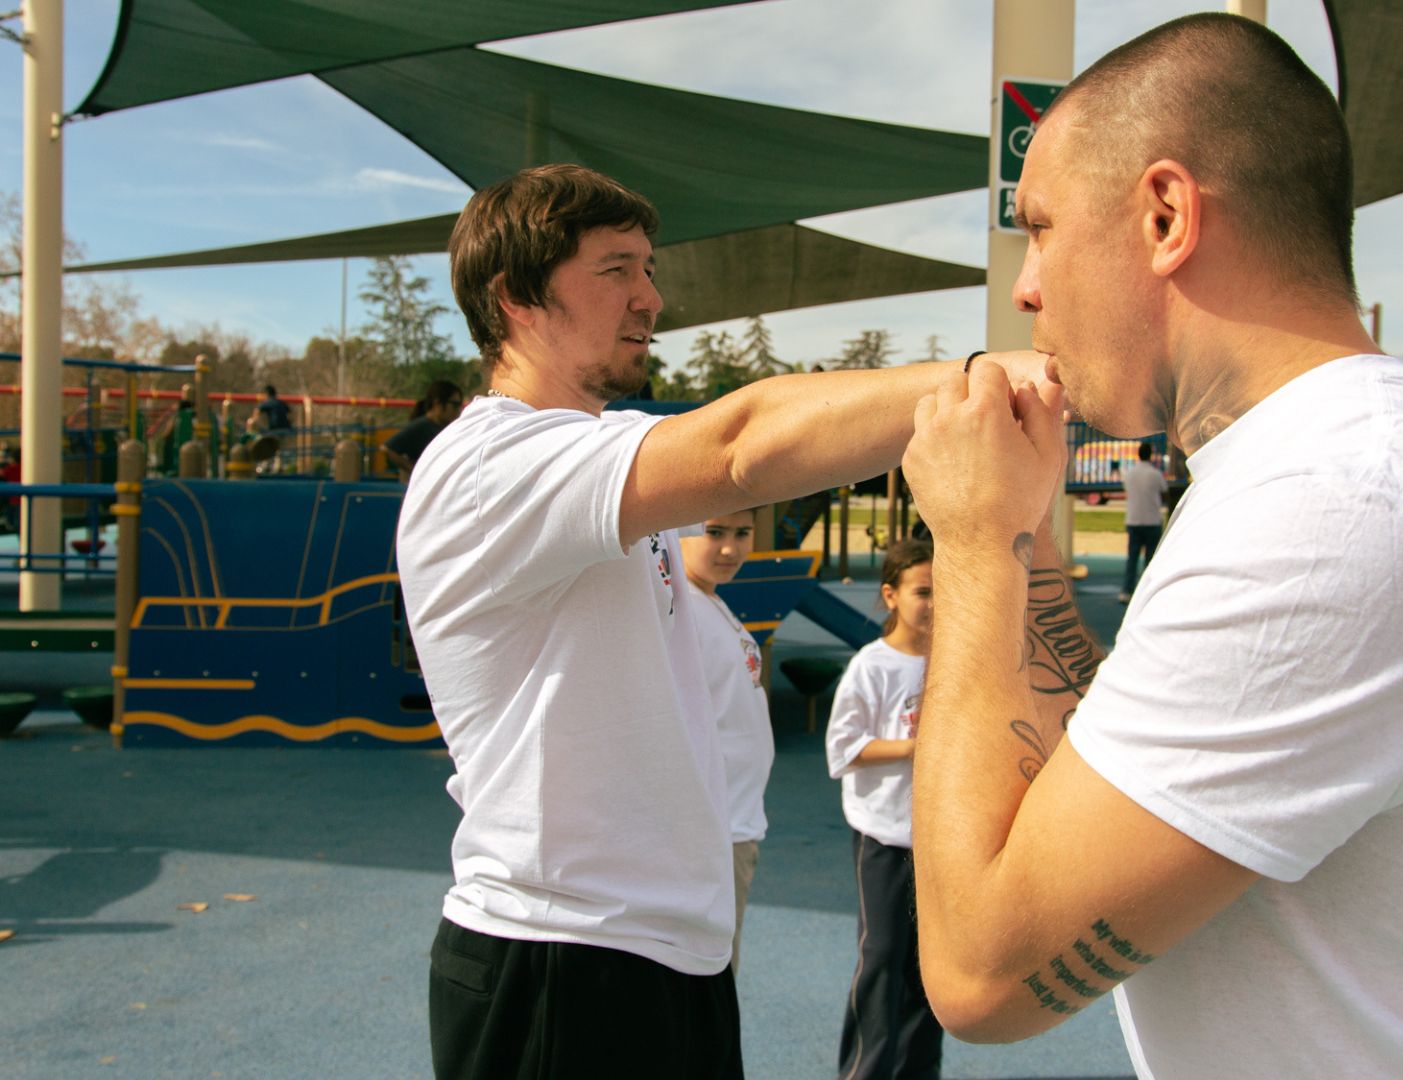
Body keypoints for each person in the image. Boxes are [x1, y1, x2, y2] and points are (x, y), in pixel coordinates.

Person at [896, 14, 1403, 1077]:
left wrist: (968, 543)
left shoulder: (1335, 507)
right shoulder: (1332, 460)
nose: (1027, 287)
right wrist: (1024, 546)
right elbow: (1119, 769)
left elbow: (984, 977)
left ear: (1166, 214)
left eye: (1041, 227)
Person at [394, 163, 1047, 1080]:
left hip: (660, 948)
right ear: (515, 296)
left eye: (648, 270)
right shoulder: (492, 462)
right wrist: (1002, 378)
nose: (650, 298)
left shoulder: (597, 480)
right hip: (560, 953)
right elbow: (743, 442)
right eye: (616, 269)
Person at [823, 539, 942, 1080]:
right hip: (886, 837)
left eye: (944, 591)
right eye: (923, 592)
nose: (935, 603)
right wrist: (917, 747)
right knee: (882, 958)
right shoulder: (872, 667)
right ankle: (864, 1072)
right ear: (891, 595)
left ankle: (917, 1071)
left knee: (931, 970)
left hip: (941, 842)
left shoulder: (955, 660)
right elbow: (843, 749)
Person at [678, 509, 774, 973]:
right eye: (713, 532)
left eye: (742, 533)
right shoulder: (683, 610)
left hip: (734, 819)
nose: (730, 549)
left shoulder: (710, 601)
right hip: (713, 829)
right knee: (709, 975)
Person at [384, 380, 466, 482]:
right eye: (455, 404)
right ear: (438, 403)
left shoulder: (449, 428)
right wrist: (415, 471)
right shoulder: (421, 426)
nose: (458, 410)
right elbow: (389, 448)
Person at [1117, 439, 1166, 602]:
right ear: (1150, 456)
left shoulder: (1130, 474)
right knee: (1150, 560)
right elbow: (1164, 489)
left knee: (1132, 558)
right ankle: (1147, 594)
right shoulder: (1155, 474)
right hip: (1151, 520)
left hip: (1134, 520)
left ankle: (1126, 590)